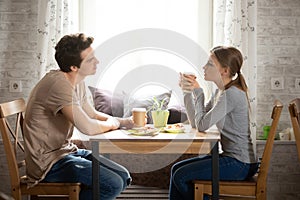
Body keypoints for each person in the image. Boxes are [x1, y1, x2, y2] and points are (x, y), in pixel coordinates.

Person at [23, 33, 133, 200]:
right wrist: (114, 123)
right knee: (113, 184)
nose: (97, 62)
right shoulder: (58, 84)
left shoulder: (77, 81)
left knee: (123, 176)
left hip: (66, 152)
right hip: (48, 163)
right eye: (90, 60)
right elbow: (87, 127)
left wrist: (126, 122)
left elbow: (92, 114)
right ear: (74, 67)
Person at [169, 46, 258, 200]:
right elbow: (197, 123)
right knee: (176, 169)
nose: (204, 67)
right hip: (233, 159)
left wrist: (199, 92)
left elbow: (203, 124)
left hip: (240, 164)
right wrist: (187, 92)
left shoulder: (231, 94)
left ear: (224, 70)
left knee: (180, 176)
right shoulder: (220, 91)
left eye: (210, 64)